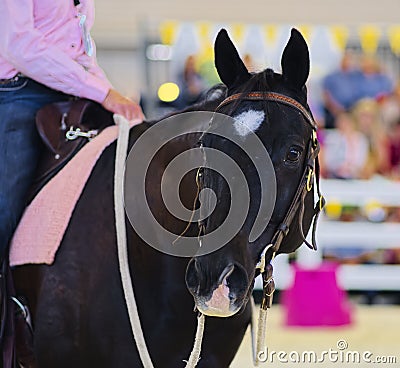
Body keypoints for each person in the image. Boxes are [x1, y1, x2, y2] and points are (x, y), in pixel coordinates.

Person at [0, 0, 144, 264]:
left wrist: (115, 99)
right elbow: (18, 43)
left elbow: (81, 53)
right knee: (5, 208)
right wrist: (103, 93)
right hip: (19, 92)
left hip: (71, 92)